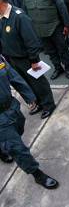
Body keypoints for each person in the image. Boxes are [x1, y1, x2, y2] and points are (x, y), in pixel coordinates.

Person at [0, 55, 59, 189]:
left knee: (19, 128)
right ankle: (37, 174)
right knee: (17, 148)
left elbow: (12, 75)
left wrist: (29, 97)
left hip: (11, 107)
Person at [0, 0, 56, 119]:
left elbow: (31, 40)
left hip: (26, 58)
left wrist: (34, 60)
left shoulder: (19, 16)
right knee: (26, 82)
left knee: (38, 81)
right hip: (11, 58)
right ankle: (39, 103)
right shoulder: (1, 17)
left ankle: (48, 104)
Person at [21, 0, 69, 80]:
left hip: (55, 27)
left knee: (62, 48)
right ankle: (58, 67)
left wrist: (67, 25)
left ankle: (68, 67)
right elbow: (25, 11)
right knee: (50, 51)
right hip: (39, 29)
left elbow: (62, 8)